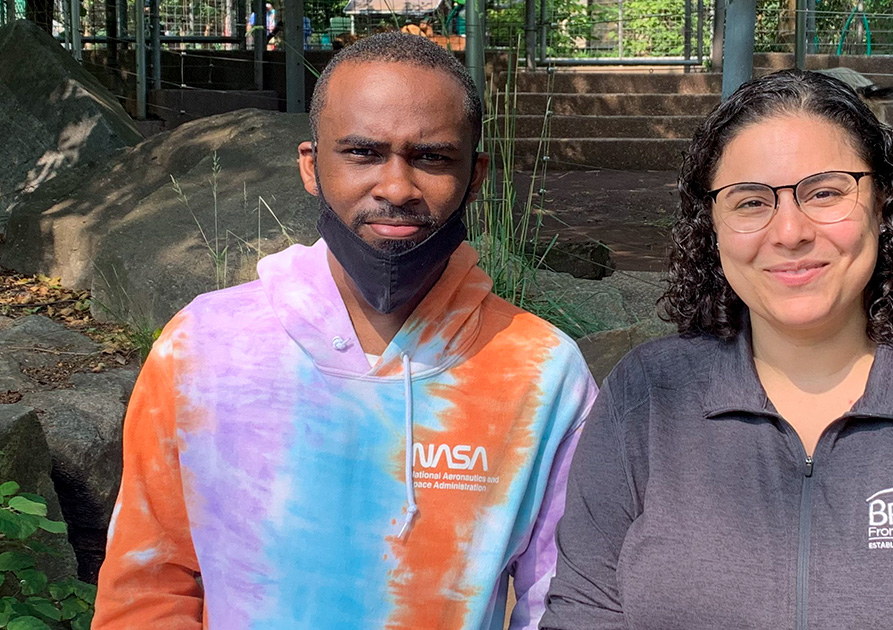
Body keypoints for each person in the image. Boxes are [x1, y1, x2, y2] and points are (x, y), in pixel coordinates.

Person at [542, 69, 893, 630]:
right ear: (711, 224)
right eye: (749, 201)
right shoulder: (647, 395)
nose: (789, 231)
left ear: (884, 200)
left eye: (824, 193)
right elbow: (585, 613)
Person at [93, 32, 596, 630]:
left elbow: (557, 605)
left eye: (431, 157)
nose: (396, 187)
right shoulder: (201, 345)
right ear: (311, 166)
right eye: (362, 153)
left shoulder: (543, 370)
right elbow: (148, 589)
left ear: (475, 174)